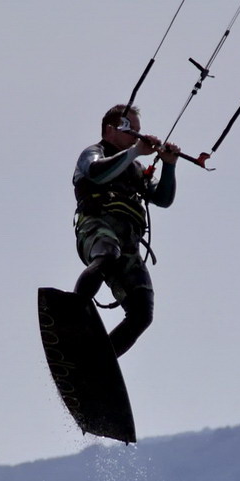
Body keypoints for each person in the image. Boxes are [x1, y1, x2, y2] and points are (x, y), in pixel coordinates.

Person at [72, 104, 181, 357]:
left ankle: (97, 363)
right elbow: (97, 175)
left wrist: (169, 165)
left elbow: (163, 199)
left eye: (139, 131)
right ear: (110, 130)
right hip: (97, 225)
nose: (137, 136)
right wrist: (134, 152)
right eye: (130, 130)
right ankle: (74, 314)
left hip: (129, 240)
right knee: (108, 255)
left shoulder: (136, 169)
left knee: (142, 312)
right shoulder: (93, 153)